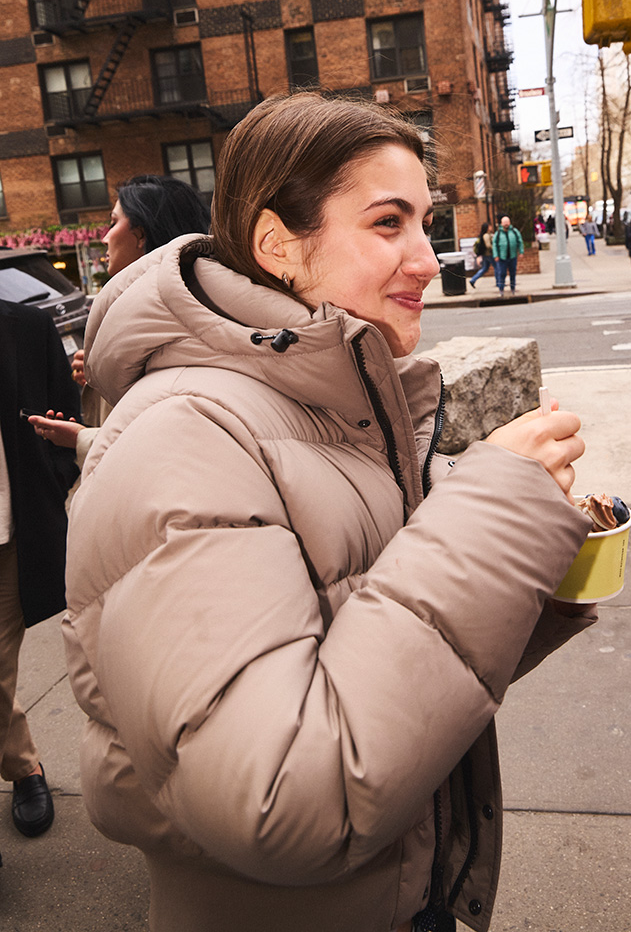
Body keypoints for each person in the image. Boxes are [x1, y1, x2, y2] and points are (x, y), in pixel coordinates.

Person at [63, 93, 597, 932]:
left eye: (426, 223)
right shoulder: (186, 436)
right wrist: (493, 515)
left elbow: (384, 671)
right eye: (388, 224)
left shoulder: (334, 407)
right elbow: (281, 799)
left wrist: (527, 568)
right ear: (279, 246)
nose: (427, 259)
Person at [28, 175, 211, 465]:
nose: (105, 237)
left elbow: (170, 437)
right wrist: (105, 376)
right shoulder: (183, 301)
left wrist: (81, 438)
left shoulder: (163, 312)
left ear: (141, 234)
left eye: (113, 222)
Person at [0, 299, 81, 839]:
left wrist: (52, 481)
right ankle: (23, 764)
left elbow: (65, 413)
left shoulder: (27, 327)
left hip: (9, 534)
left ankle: (24, 767)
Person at [492, 214, 525, 296]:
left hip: (512, 256)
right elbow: (494, 245)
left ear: (510, 223)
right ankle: (501, 289)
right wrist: (496, 255)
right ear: (501, 223)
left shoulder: (514, 231)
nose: (506, 224)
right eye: (504, 222)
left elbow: (520, 241)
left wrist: (521, 252)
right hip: (502, 257)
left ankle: (513, 288)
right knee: (502, 274)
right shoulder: (498, 233)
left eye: (507, 222)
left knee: (513, 274)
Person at [469, 221, 496, 288]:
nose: (491, 227)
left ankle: (473, 280)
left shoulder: (485, 235)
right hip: (489, 255)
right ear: (487, 228)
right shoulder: (486, 235)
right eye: (489, 226)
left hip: (485, 255)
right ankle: (499, 282)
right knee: (497, 268)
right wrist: (494, 249)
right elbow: (488, 245)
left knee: (484, 268)